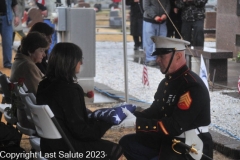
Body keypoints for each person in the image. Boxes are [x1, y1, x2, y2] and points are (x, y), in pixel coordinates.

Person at [119, 36, 213, 159]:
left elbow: (175, 126)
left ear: (178, 56)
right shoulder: (167, 82)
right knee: (127, 143)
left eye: (162, 56)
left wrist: (138, 123)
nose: (157, 60)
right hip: (170, 140)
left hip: (189, 146)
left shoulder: (192, 86)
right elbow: (155, 112)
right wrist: (127, 115)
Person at [36, 42, 123, 160]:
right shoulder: (69, 89)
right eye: (79, 59)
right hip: (67, 147)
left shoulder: (44, 84)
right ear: (70, 62)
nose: (81, 63)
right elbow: (82, 132)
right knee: (116, 150)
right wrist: (109, 120)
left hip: (48, 145)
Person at [10, 32, 48, 129]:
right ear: (31, 51)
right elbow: (41, 94)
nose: (44, 55)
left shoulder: (21, 61)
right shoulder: (28, 66)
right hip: (31, 118)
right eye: (41, 51)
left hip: (23, 113)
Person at [142, 0, 170, 66]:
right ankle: (150, 59)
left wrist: (165, 14)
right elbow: (146, 6)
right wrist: (154, 16)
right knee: (149, 41)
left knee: (162, 41)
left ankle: (160, 57)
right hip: (149, 20)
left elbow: (168, 4)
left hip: (162, 21)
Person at [0, 0, 19, 69]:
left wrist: (16, 16)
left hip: (6, 18)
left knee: (8, 41)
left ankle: (7, 63)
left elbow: (14, 4)